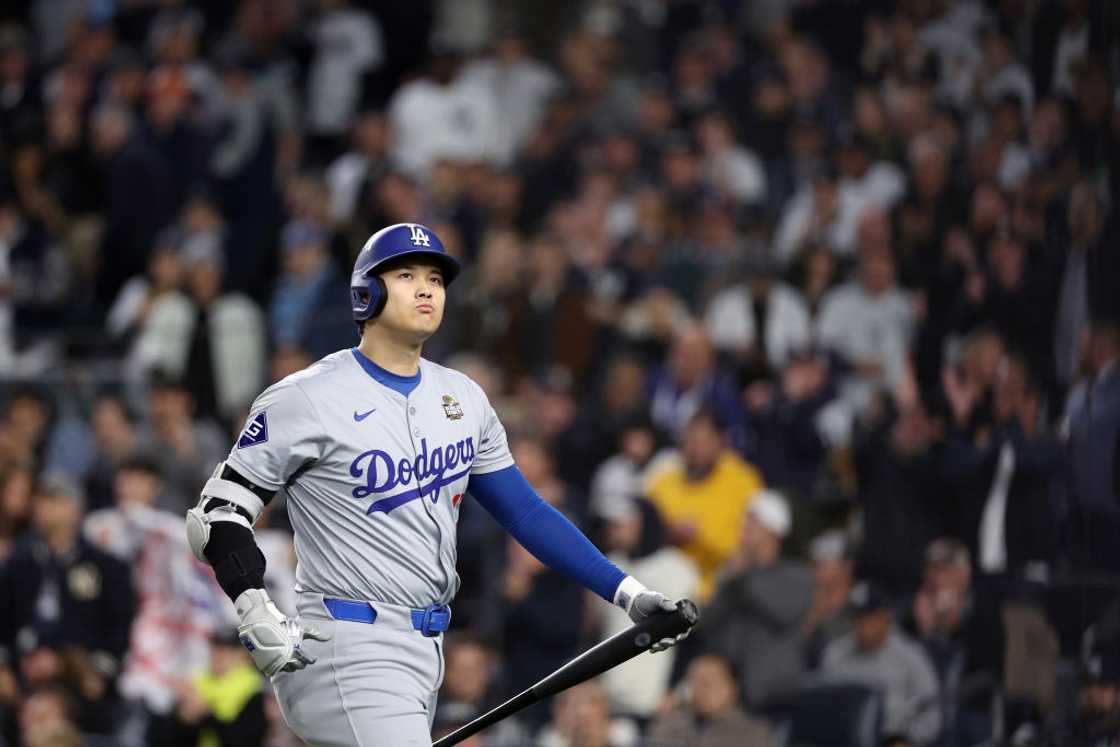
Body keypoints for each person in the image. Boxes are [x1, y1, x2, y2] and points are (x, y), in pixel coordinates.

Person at [183, 223, 687, 746]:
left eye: (436, 279)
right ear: (366, 293)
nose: (426, 288)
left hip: (426, 648)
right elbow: (215, 515)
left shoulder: (463, 398)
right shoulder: (307, 397)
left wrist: (628, 594)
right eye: (406, 275)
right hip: (344, 644)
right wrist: (252, 604)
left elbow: (528, 515)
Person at [704, 490, 813, 707]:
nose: (744, 529)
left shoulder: (797, 575)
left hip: (775, 694)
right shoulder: (735, 577)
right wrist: (728, 581)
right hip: (733, 694)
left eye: (753, 523)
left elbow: (783, 611)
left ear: (774, 530)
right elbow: (707, 621)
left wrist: (743, 577)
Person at [646, 408, 765, 601]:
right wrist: (667, 533)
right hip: (665, 575)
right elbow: (643, 531)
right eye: (689, 440)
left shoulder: (743, 481)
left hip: (720, 580)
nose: (694, 449)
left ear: (721, 440)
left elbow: (751, 543)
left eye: (702, 441)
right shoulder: (664, 480)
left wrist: (698, 536)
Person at [821, 580, 942, 746]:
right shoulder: (836, 653)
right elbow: (822, 710)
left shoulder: (910, 655)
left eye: (867, 618)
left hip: (889, 740)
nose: (861, 626)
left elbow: (932, 713)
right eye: (857, 618)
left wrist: (908, 740)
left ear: (885, 617)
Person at [647, 654, 773, 747]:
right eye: (693, 682)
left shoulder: (754, 732)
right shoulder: (670, 723)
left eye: (708, 683)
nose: (699, 690)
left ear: (732, 688)